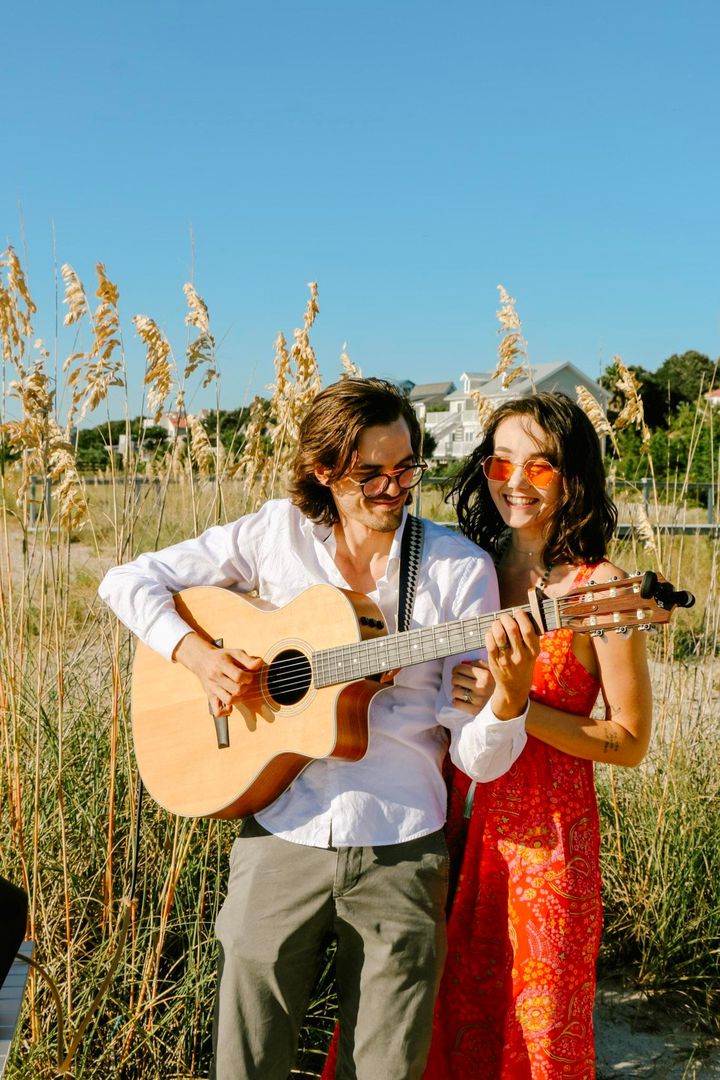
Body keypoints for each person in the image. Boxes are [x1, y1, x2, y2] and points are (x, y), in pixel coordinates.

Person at [98, 377, 538, 1080]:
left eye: (407, 469)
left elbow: (477, 760)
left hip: (402, 844)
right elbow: (125, 581)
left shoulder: (458, 569)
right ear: (323, 471)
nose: (393, 489)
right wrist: (199, 655)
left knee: (387, 1067)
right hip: (281, 826)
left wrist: (509, 698)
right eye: (371, 474)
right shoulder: (275, 533)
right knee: (247, 1060)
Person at [422, 391, 652, 1080]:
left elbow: (630, 740)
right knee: (439, 1013)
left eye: (540, 465)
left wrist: (517, 705)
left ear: (573, 475)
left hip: (546, 843)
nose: (515, 482)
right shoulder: (463, 568)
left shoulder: (600, 587)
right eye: (500, 462)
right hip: (449, 825)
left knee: (537, 1031)